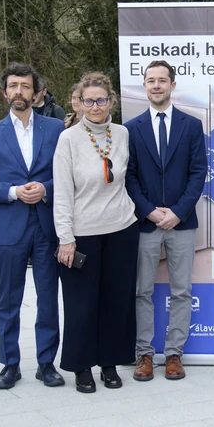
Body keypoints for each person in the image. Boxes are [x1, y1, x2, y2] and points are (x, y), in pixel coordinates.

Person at [0, 62, 66, 390]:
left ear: (36, 92)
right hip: (10, 227)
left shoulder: (55, 129)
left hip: (46, 225)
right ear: (4, 93)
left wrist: (46, 189)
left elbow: (69, 177)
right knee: (8, 300)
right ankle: (10, 364)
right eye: (13, 86)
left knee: (48, 298)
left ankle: (46, 363)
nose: (19, 92)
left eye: (25, 86)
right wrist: (12, 192)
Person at [54, 71, 139, 393]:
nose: (94, 106)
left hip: (121, 229)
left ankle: (109, 363)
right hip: (83, 233)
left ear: (111, 101)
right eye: (88, 100)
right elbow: (62, 192)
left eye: (100, 100)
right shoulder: (68, 139)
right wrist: (65, 237)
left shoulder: (122, 134)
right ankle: (81, 366)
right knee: (81, 304)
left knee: (116, 302)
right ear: (79, 102)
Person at [125, 60, 208, 381]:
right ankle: (144, 354)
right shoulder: (131, 129)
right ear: (144, 86)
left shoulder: (191, 125)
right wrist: (149, 210)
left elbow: (198, 171)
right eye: (151, 81)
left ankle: (174, 354)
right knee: (141, 291)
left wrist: (178, 211)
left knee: (181, 291)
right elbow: (128, 176)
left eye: (162, 80)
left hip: (181, 222)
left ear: (173, 85)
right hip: (145, 222)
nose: (156, 85)